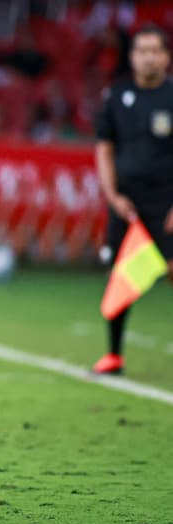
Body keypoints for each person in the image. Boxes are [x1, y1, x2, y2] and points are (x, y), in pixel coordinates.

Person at [92, 24, 173, 375]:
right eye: (142, 50)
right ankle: (114, 355)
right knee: (121, 276)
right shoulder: (116, 97)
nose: (148, 56)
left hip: (167, 203)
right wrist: (113, 197)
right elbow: (104, 150)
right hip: (127, 205)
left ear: (166, 57)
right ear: (132, 56)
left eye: (155, 50)